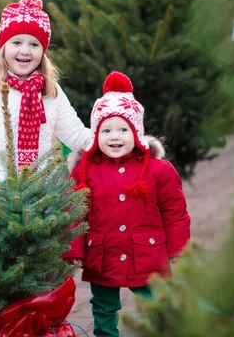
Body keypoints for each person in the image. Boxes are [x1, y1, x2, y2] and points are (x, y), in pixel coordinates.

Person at [64, 71, 191, 337]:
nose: (115, 137)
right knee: (103, 306)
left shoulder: (159, 170)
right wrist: (73, 248)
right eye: (106, 130)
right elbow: (75, 212)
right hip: (103, 254)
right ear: (96, 134)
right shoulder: (85, 172)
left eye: (123, 129)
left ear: (136, 133)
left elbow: (174, 212)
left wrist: (178, 246)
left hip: (147, 254)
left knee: (157, 302)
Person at [0, 0, 91, 183]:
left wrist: (108, 139)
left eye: (34, 44)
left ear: (43, 52)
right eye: (16, 42)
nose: (25, 51)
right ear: (4, 47)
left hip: (39, 191)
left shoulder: (50, 91)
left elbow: (75, 133)